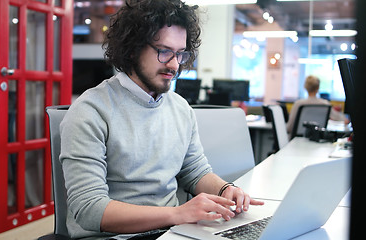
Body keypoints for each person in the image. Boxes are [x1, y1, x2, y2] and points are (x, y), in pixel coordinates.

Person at [60, 0, 264, 239]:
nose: (175, 64)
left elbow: (195, 172)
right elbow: (89, 209)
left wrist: (225, 189)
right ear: (132, 49)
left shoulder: (180, 108)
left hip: (172, 231)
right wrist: (177, 214)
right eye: (164, 51)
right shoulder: (90, 111)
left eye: (180, 53)